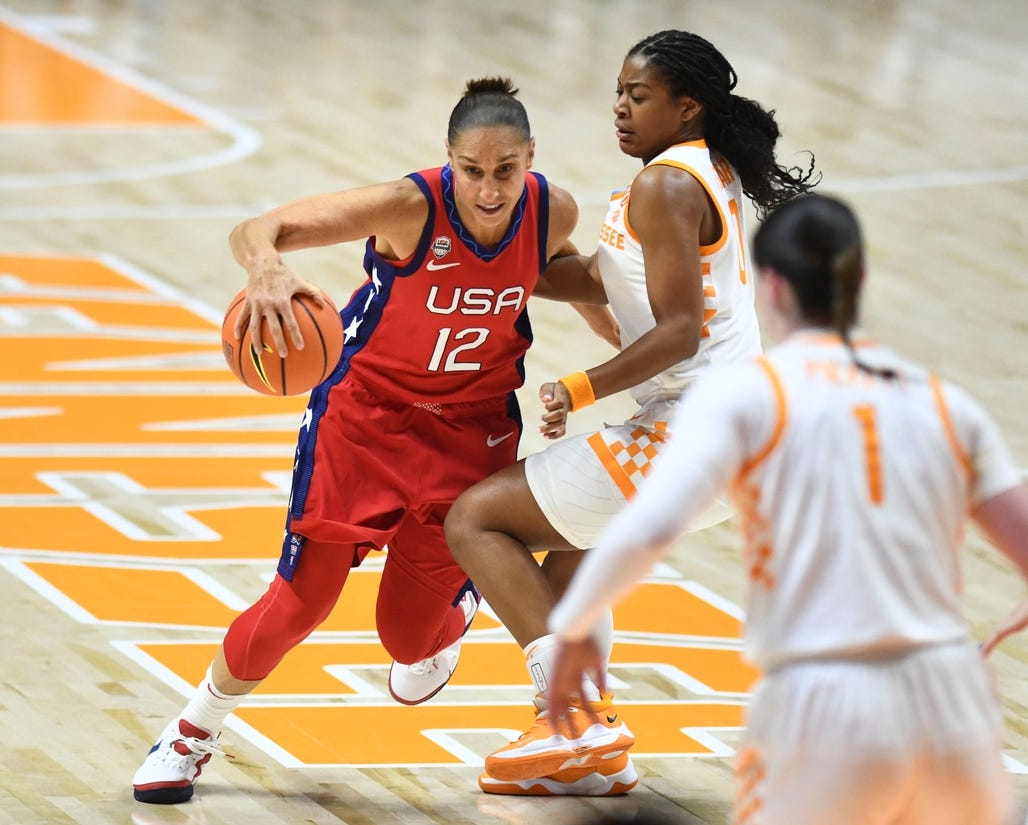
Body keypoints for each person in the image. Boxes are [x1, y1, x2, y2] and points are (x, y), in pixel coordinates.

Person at [131, 76, 617, 805]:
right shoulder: (408, 207)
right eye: (473, 171)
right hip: (364, 421)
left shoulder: (552, 211)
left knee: (409, 642)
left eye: (506, 171)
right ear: (448, 161)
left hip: (470, 433)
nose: (489, 190)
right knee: (301, 602)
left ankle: (456, 612)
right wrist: (266, 269)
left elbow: (573, 284)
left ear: (530, 159)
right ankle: (192, 731)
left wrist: (630, 362)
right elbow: (257, 228)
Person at [544, 193, 1028, 824]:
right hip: (952, 699)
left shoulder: (748, 397)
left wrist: (575, 627)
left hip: (825, 699)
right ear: (859, 279)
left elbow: (646, 530)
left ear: (769, 286)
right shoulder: (941, 402)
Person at [444, 29, 818, 797]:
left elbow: (679, 326)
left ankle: (571, 721)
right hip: (724, 435)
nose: (619, 107)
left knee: (476, 520)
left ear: (688, 108)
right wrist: (499, 252)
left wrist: (577, 388)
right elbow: (599, 276)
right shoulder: (695, 170)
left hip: (693, 431)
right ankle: (595, 760)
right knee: (573, 563)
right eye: (618, 90)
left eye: (637, 96)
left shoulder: (666, 186)